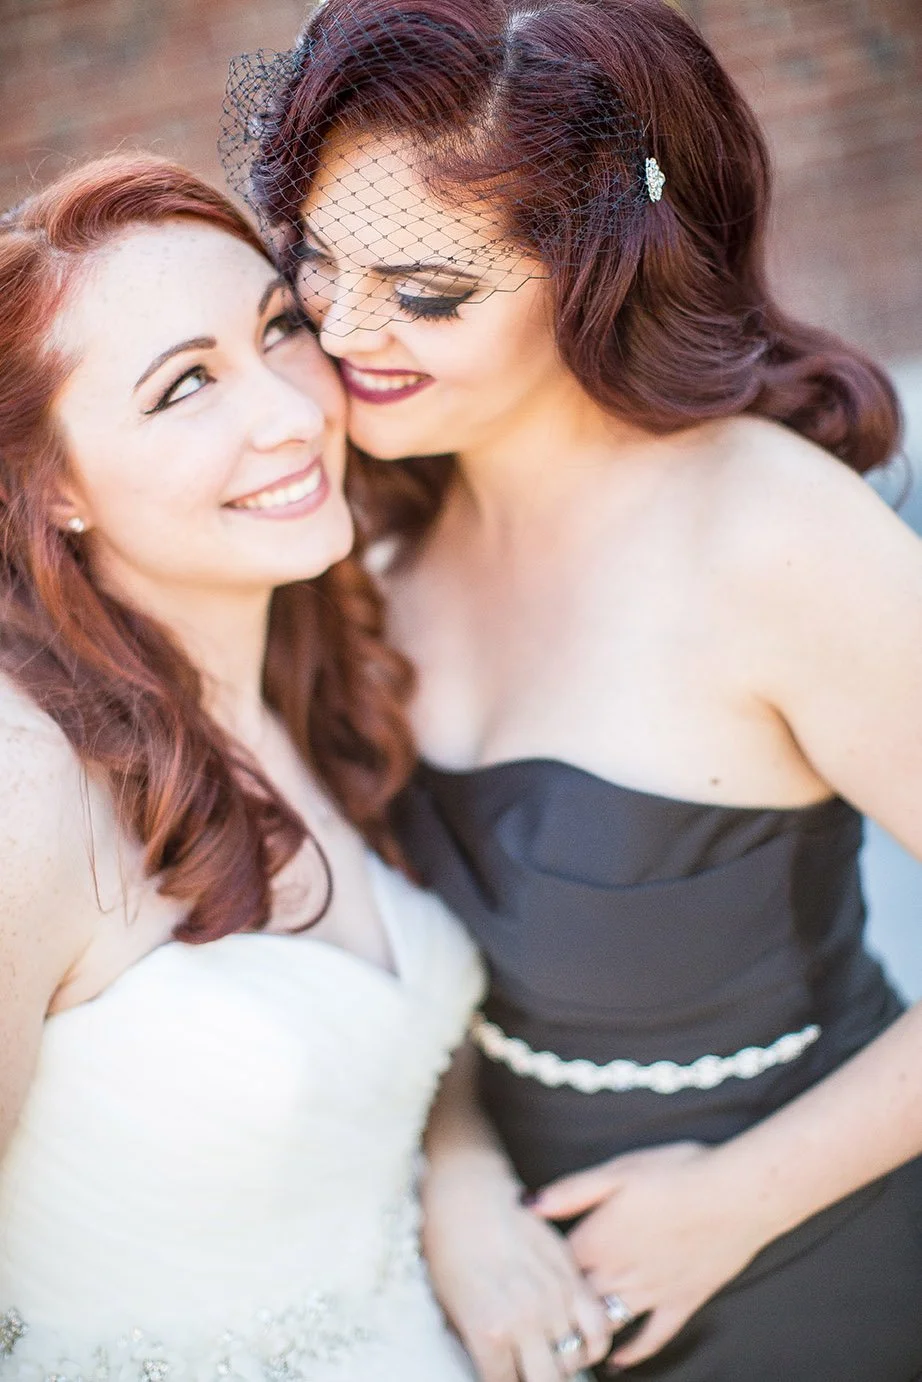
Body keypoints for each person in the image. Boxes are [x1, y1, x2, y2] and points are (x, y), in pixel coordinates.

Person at [222, 0, 922, 1378]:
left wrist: (735, 1202)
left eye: (427, 293)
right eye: (316, 262)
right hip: (480, 1298)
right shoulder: (360, 529)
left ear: (599, 276)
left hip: (806, 1266)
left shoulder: (775, 538)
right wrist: (455, 1171)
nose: (345, 330)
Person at [0, 151, 509, 1382]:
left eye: (279, 328)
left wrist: (464, 1177)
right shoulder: (29, 781)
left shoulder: (324, 673)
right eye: (185, 388)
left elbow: (383, 1060)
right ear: (55, 488)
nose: (291, 411)